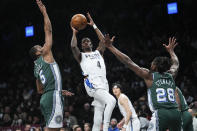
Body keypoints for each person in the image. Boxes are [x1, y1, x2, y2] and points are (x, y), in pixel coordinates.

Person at [103, 35, 181, 131]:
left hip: (161, 114)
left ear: (155, 66)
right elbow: (176, 63)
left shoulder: (150, 76)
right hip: (176, 114)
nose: (150, 64)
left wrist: (111, 47)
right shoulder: (171, 75)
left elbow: (128, 62)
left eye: (152, 63)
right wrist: (171, 52)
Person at [29, 0, 73, 130]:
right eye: (40, 46)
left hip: (46, 98)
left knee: (51, 127)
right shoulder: (45, 54)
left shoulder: (36, 67)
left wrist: (56, 89)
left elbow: (39, 90)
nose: (43, 45)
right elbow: (48, 31)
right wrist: (44, 13)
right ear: (38, 52)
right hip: (52, 98)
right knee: (55, 129)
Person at [70, 13, 116, 131]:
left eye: (87, 41)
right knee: (112, 100)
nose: (85, 43)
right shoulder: (81, 56)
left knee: (98, 114)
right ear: (82, 45)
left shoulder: (98, 52)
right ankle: (106, 129)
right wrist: (74, 33)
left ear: (91, 44)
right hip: (92, 84)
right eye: (83, 42)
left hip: (103, 83)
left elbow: (104, 41)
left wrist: (94, 25)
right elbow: (73, 46)